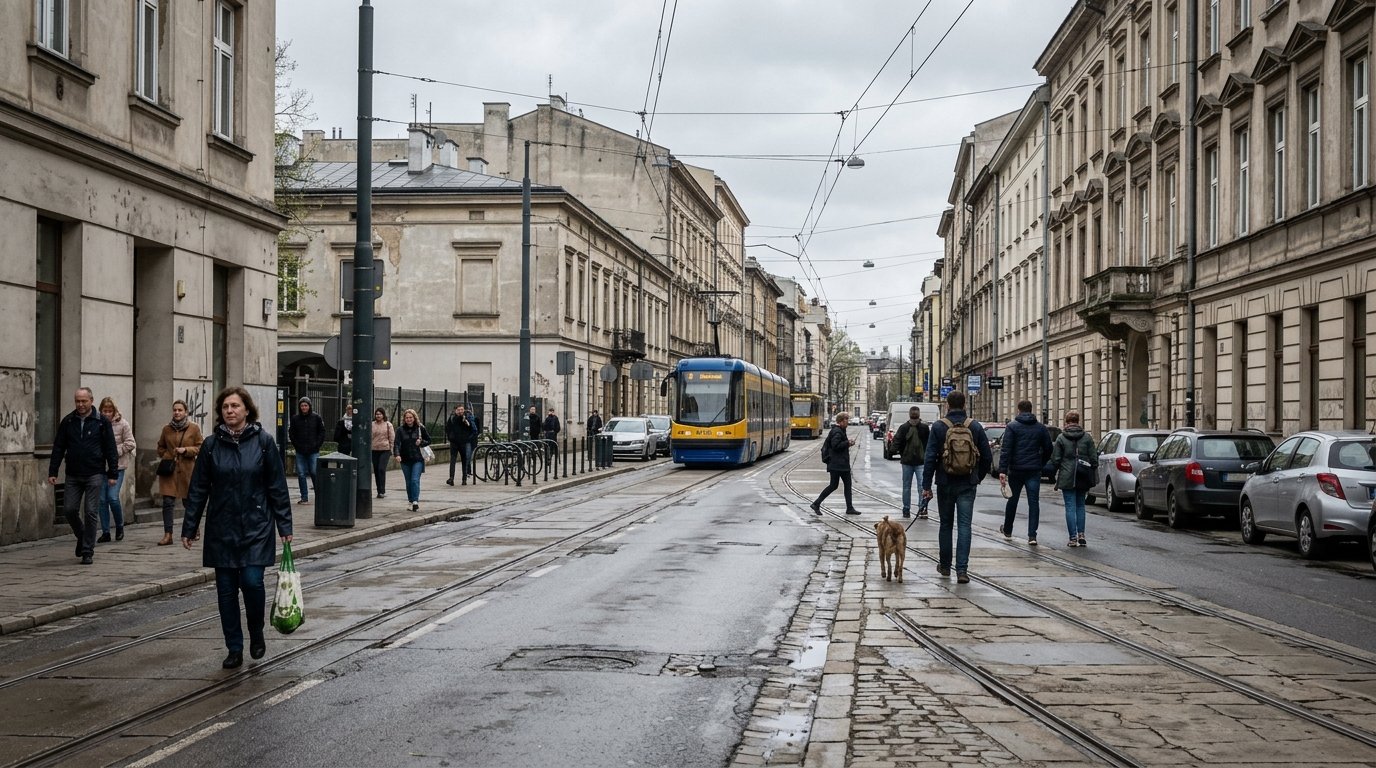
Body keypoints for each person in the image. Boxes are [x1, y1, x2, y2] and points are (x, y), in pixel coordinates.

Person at [182, 386, 292, 670]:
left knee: (253, 582)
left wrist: (285, 525)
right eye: (225, 407)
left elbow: (277, 487)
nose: (230, 411)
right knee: (226, 591)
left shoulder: (265, 443)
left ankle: (256, 632)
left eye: (235, 406)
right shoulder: (210, 445)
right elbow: (199, 488)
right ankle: (234, 647)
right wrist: (190, 525)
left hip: (256, 526)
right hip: (222, 528)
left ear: (247, 410)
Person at [921, 391, 993, 584]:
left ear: (947, 405)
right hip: (967, 483)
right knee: (964, 526)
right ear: (964, 406)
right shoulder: (975, 426)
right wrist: (977, 477)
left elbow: (929, 458)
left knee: (945, 525)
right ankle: (962, 570)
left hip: (945, 482)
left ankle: (945, 566)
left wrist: (926, 486)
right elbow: (987, 457)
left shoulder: (938, 427)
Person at [47, 387, 119, 565]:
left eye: (83, 401)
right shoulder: (68, 421)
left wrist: (113, 473)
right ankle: (82, 535)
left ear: (91, 401)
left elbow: (111, 449)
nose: (80, 404)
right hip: (73, 473)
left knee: (90, 512)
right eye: (77, 401)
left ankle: (87, 551)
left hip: (94, 473)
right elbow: (58, 447)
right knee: (69, 510)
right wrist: (53, 471)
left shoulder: (101, 422)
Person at [998, 400, 1054, 546]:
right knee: (1033, 502)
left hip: (1016, 469)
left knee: (1012, 500)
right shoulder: (1040, 428)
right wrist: (1040, 462)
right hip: (1034, 470)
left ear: (1018, 410)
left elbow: (1006, 450)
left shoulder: (1012, 427)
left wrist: (1002, 470)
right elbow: (1048, 448)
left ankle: (1008, 530)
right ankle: (1032, 535)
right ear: (1031, 410)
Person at [157, 400, 204, 546]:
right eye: (175, 410)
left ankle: (193, 528)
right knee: (168, 502)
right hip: (170, 469)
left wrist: (186, 450)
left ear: (186, 412)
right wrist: (167, 455)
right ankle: (168, 534)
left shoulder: (194, 428)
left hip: (187, 470)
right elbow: (160, 446)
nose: (177, 412)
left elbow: (200, 447)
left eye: (180, 410)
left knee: (188, 502)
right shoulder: (166, 429)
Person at [1051, 411, 1099, 548]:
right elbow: (1094, 458)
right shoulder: (1087, 437)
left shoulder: (1061, 438)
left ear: (1066, 422)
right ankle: (1082, 535)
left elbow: (1056, 459)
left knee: (1070, 507)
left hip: (1067, 475)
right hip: (1083, 475)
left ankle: (1072, 537)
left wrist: (1060, 467)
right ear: (1078, 421)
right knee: (1080, 506)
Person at [97, 397, 136, 543]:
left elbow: (131, 443)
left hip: (118, 466)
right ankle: (105, 531)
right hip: (101, 467)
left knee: (112, 498)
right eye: (104, 411)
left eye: (109, 411)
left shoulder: (122, 424)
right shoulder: (97, 423)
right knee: (101, 500)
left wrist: (114, 451)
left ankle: (119, 526)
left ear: (114, 411)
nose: (107, 413)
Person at [810, 412, 859, 516]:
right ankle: (817, 503)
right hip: (839, 465)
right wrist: (848, 443)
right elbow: (835, 445)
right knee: (839, 485)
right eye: (846, 420)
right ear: (841, 421)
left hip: (839, 464)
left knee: (837, 485)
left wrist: (847, 443)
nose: (848, 422)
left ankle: (817, 503)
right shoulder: (837, 431)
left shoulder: (840, 430)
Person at [892, 406, 931, 519]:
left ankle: (906, 510)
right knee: (921, 487)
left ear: (909, 415)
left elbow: (897, 441)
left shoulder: (903, 427)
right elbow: (929, 444)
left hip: (907, 461)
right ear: (919, 415)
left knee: (906, 487)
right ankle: (922, 508)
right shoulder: (924, 428)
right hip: (920, 461)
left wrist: (895, 451)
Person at [288, 397, 325, 505]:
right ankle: (304, 497)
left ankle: (320, 495)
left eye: (306, 405)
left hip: (313, 450)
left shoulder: (316, 418)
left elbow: (322, 432)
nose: (304, 407)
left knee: (314, 472)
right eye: (302, 405)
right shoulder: (295, 419)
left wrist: (317, 444)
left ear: (309, 406)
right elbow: (292, 433)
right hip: (300, 451)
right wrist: (297, 445)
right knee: (301, 474)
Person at [394, 408, 431, 512]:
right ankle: (410, 501)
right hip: (405, 459)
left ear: (414, 418)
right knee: (408, 482)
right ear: (404, 419)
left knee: (415, 480)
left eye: (410, 417)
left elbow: (429, 440)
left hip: (417, 459)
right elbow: (396, 443)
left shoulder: (420, 428)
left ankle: (415, 501)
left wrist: (421, 442)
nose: (409, 419)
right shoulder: (400, 430)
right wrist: (397, 454)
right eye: (407, 418)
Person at [445, 404, 478, 485]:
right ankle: (451, 478)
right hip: (454, 442)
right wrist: (450, 437)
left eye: (462, 409)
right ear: (455, 411)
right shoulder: (452, 418)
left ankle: (464, 479)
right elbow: (447, 428)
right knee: (453, 460)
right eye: (458, 410)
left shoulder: (467, 418)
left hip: (463, 442)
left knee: (464, 460)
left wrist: (466, 423)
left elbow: (471, 428)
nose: (460, 411)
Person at [369, 408, 395, 498]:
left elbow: (392, 438)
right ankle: (379, 491)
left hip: (385, 450)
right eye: (377, 414)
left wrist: (391, 449)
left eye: (380, 414)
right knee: (376, 470)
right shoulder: (371, 425)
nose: (378, 416)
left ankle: (382, 490)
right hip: (374, 450)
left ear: (383, 415)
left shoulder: (388, 425)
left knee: (381, 469)